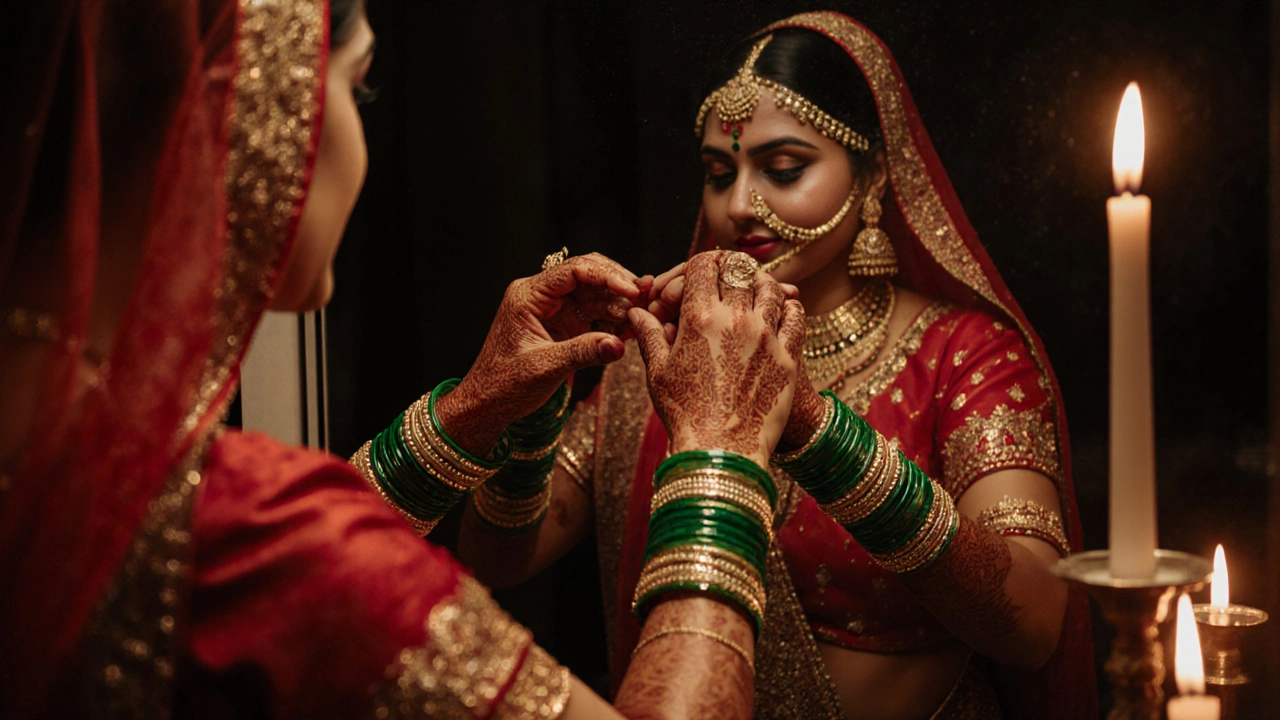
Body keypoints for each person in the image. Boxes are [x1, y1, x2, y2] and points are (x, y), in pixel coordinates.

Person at [0, 1, 805, 717]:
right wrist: (720, 451)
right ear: (246, 108)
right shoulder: (247, 526)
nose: (741, 204)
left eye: (783, 168)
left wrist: (472, 410)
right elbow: (317, 563)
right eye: (359, 87)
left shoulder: (62, 445)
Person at [458, 11, 1098, 719]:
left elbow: (1035, 622)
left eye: (783, 169)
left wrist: (819, 432)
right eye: (718, 172)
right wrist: (540, 394)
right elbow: (502, 557)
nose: (739, 205)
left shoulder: (964, 355)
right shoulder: (671, 358)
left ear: (876, 174)